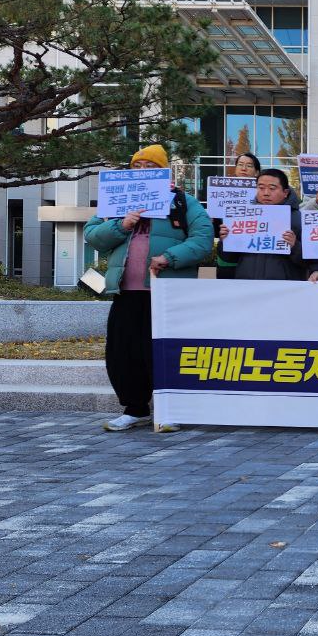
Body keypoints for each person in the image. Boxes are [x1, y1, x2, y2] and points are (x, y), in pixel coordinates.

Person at [83, 145, 213, 432]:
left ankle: (171, 410)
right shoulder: (116, 201)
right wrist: (122, 225)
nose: (141, 171)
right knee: (123, 353)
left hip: (167, 294)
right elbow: (92, 235)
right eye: (136, 166)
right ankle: (135, 408)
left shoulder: (182, 202)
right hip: (126, 292)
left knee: (166, 352)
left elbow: (204, 239)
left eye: (150, 166)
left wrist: (170, 257)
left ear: (163, 171)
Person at [218, 169, 318, 282]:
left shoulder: (300, 220)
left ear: (285, 193)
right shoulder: (242, 217)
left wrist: (295, 246)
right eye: (261, 187)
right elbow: (228, 258)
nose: (266, 193)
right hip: (247, 286)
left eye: (272, 188)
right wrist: (225, 240)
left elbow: (316, 260)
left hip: (284, 290)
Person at [214, 152, 261, 280]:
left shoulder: (263, 193)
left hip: (255, 256)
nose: (244, 168)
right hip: (228, 257)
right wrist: (215, 226)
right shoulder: (223, 193)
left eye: (249, 166)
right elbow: (214, 229)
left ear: (257, 172)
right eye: (240, 165)